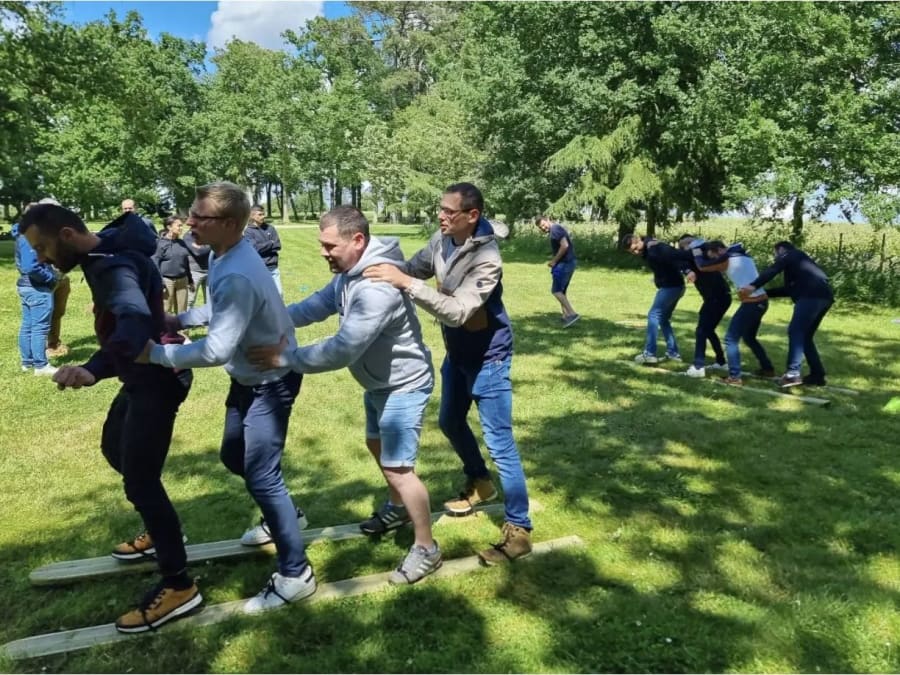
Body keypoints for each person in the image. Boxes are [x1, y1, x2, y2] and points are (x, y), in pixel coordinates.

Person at [19, 204, 199, 633]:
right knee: (115, 448)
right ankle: (160, 528)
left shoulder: (111, 267)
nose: (40, 258)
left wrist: (94, 368)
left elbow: (135, 318)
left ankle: (179, 586)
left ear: (66, 234)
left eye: (42, 247)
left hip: (158, 377)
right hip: (140, 376)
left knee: (140, 480)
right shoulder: (110, 249)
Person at [138, 181, 315, 614]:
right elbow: (221, 311)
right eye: (192, 213)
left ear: (231, 224)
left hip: (271, 384)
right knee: (234, 457)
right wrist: (181, 316)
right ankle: (290, 515)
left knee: (261, 474)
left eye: (201, 217)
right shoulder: (226, 255)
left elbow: (216, 350)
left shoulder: (235, 268)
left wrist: (156, 354)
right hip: (250, 379)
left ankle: (297, 573)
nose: (191, 221)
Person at [247, 205, 441, 584]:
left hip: (404, 383)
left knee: (399, 467)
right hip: (378, 383)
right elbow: (316, 306)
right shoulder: (350, 275)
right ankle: (399, 508)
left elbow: (341, 349)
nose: (322, 252)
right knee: (375, 444)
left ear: (358, 240)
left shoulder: (376, 289)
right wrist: (271, 318)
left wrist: (283, 358)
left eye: (329, 245)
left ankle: (426, 547)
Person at [364, 182, 533, 565]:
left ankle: (519, 529)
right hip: (458, 353)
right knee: (451, 421)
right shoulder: (442, 240)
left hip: (490, 356)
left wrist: (407, 283)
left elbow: (458, 311)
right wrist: (376, 270)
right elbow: (411, 267)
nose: (440, 216)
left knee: (500, 442)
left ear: (471, 216)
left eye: (448, 211)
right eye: (439, 209)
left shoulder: (488, 257)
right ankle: (480, 481)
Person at [741, 241, 834, 388]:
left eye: (775, 254)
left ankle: (792, 374)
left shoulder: (791, 254)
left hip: (810, 297)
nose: (775, 258)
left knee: (795, 331)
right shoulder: (800, 266)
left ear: (781, 249)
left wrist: (753, 286)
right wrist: (765, 294)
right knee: (805, 337)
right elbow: (789, 289)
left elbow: (772, 270)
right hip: (824, 297)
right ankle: (817, 375)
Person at [693, 240, 775, 386]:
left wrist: (696, 252)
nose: (714, 260)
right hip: (762, 301)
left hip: (752, 302)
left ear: (719, 250)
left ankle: (735, 377)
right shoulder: (744, 256)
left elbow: (702, 267)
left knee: (731, 339)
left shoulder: (727, 258)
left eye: (713, 256)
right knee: (749, 337)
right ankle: (767, 369)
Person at [622, 233, 685, 364]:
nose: (635, 252)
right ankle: (673, 353)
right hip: (676, 286)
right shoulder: (648, 247)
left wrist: (687, 271)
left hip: (671, 286)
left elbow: (672, 257)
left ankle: (649, 353)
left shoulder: (653, 249)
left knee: (653, 315)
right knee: (663, 319)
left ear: (638, 240)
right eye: (631, 251)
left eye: (635, 248)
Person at [676, 235, 730, 377]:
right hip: (716, 298)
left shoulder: (703, 253)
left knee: (701, 331)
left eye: (690, 242)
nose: (689, 245)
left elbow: (705, 252)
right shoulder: (689, 259)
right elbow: (680, 262)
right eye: (685, 245)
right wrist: (687, 271)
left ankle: (698, 367)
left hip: (718, 298)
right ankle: (721, 362)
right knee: (708, 330)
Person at [13, 203, 57, 376]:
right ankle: (40, 365)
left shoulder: (22, 234)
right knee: (39, 327)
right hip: (36, 287)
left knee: (28, 325)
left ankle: (27, 362)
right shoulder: (29, 237)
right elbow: (30, 267)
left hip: (26, 286)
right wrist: (50, 278)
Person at [535, 215, 579, 327]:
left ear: (548, 220)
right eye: (541, 228)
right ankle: (565, 315)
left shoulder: (555, 230)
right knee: (562, 290)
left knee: (556, 291)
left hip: (564, 264)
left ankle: (572, 314)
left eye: (543, 225)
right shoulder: (556, 229)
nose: (543, 228)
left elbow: (564, 246)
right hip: (569, 262)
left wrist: (554, 261)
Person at [152, 215, 193, 315]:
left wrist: (190, 280)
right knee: (166, 310)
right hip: (167, 281)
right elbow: (155, 263)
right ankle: (166, 330)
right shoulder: (160, 244)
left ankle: (182, 331)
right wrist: (160, 282)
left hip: (182, 280)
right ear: (169, 227)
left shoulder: (182, 243)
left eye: (181, 226)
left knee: (182, 311)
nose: (181, 228)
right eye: (178, 226)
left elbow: (185, 262)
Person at [244, 205, 283, 297]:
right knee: (263, 297)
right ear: (252, 216)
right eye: (260, 214)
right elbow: (255, 249)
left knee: (279, 295)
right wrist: (270, 243)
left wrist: (263, 246)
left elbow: (278, 245)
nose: (263, 216)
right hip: (259, 269)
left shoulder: (270, 228)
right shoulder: (249, 232)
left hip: (273, 268)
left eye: (263, 214)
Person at [182, 223, 211, 308]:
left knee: (210, 299)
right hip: (194, 272)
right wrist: (213, 243)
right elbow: (198, 252)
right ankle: (187, 320)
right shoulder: (188, 236)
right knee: (190, 299)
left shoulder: (208, 234)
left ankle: (208, 320)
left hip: (210, 270)